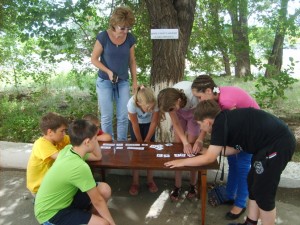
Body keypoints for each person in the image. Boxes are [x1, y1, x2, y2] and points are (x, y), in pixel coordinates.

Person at [165, 100, 296, 225]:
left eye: (200, 124)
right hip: (264, 146)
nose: (201, 128)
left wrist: (182, 162)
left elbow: (209, 159)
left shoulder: (219, 126)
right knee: (253, 183)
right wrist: (208, 150)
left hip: (278, 145)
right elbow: (233, 150)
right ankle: (250, 222)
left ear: (208, 122)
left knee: (264, 193)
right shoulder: (223, 119)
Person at [191, 75, 259, 219]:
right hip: (237, 130)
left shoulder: (226, 102)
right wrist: (200, 139)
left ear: (208, 91)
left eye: (199, 96)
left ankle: (240, 203)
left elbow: (234, 127)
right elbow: (208, 118)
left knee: (242, 166)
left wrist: (214, 148)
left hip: (250, 132)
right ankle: (229, 194)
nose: (198, 101)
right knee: (232, 162)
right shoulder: (215, 97)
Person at [34, 119, 116, 225]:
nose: (97, 142)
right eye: (95, 139)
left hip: (64, 201)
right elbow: (98, 201)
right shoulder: (80, 167)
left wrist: (93, 140)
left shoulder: (70, 149)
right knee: (104, 224)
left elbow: (98, 156)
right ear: (87, 142)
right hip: (51, 214)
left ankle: (86, 217)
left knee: (104, 189)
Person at [91, 6, 137, 141]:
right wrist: (108, 71)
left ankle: (121, 146)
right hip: (105, 81)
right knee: (106, 117)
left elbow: (132, 61)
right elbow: (94, 59)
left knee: (123, 116)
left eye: (128, 28)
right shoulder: (103, 36)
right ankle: (108, 146)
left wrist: (135, 82)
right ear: (114, 24)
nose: (125, 31)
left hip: (123, 81)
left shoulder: (130, 38)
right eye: (122, 28)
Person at [157, 81, 204, 201]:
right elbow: (176, 122)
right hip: (180, 114)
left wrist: (199, 139)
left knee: (193, 150)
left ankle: (193, 185)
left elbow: (206, 119)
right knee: (178, 147)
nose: (170, 111)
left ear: (178, 100)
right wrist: (184, 142)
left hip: (196, 113)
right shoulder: (170, 101)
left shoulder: (195, 95)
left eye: (171, 109)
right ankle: (177, 185)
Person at [26, 112, 70, 195]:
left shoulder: (60, 138)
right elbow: (63, 158)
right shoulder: (41, 144)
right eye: (62, 131)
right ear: (50, 132)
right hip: (40, 190)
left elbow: (79, 139)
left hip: (51, 183)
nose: (65, 134)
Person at [127, 85, 159, 195]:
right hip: (136, 126)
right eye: (148, 108)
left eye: (152, 108)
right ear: (139, 103)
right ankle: (135, 182)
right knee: (136, 153)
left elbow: (154, 122)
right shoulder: (131, 103)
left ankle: (150, 180)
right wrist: (140, 142)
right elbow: (134, 123)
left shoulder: (155, 102)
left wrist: (147, 141)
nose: (150, 110)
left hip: (149, 125)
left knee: (150, 153)